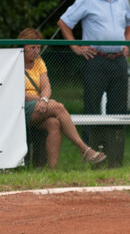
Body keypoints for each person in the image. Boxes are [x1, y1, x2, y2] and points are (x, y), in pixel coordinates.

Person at [58, 0, 130, 167]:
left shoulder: (123, 0)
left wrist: (126, 43)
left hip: (118, 60)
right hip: (95, 60)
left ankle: (115, 159)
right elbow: (64, 22)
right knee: (92, 108)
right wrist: (75, 47)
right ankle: (92, 157)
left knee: (118, 110)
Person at [18, 28, 106, 168]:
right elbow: (17, 93)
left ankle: (52, 170)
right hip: (21, 107)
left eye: (38, 47)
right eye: (32, 48)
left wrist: (44, 100)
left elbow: (47, 87)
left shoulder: (39, 61)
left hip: (39, 104)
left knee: (54, 123)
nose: (36, 51)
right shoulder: (15, 62)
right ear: (22, 47)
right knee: (58, 107)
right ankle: (84, 149)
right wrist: (40, 100)